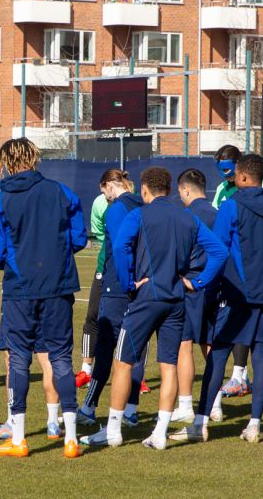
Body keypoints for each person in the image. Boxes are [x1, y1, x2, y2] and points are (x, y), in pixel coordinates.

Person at [81, 167, 228, 451]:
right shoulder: (188, 217)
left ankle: (112, 430)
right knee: (168, 364)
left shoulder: (139, 214)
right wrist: (196, 282)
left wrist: (128, 283)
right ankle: (160, 433)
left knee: (123, 361)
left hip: (146, 297)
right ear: (171, 189)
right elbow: (219, 251)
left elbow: (121, 247)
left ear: (145, 190)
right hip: (177, 299)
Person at [174, 153, 263, 444]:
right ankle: (254, 424)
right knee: (260, 354)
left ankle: (200, 423)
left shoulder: (231, 206)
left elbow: (219, 250)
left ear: (243, 176)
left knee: (219, 354)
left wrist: (201, 284)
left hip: (236, 293)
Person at [0, 137, 87, 459]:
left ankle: (19, 438)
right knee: (60, 359)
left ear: (5, 162)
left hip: (20, 288)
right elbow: (79, 237)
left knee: (18, 359)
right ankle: (70, 437)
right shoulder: (60, 192)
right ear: (34, 158)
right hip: (58, 285)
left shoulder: (2, 200)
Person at [78, 169, 147, 428]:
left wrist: (126, 280)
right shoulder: (143, 204)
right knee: (135, 348)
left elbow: (120, 247)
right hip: (141, 286)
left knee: (106, 347)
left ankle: (89, 407)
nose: (104, 197)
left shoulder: (116, 209)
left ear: (109, 186)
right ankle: (131, 409)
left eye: (103, 191)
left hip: (118, 288)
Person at [211, 143, 263, 400]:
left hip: (255, 269)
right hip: (232, 271)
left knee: (252, 334)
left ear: (240, 169)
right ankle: (238, 376)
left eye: (228, 169)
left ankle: (239, 378)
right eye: (221, 170)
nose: (225, 175)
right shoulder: (222, 191)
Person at [174, 168, 218, 424]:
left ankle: (186, 404)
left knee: (185, 343)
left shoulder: (185, 216)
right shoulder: (217, 213)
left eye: (180, 192)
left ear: (186, 190)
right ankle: (215, 403)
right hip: (214, 285)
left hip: (191, 285)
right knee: (210, 343)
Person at [75, 189, 110, 389]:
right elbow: (98, 232)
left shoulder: (134, 201)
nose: (104, 193)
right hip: (103, 265)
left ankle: (137, 377)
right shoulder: (99, 202)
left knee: (133, 321)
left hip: (129, 268)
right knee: (92, 316)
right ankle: (86, 370)